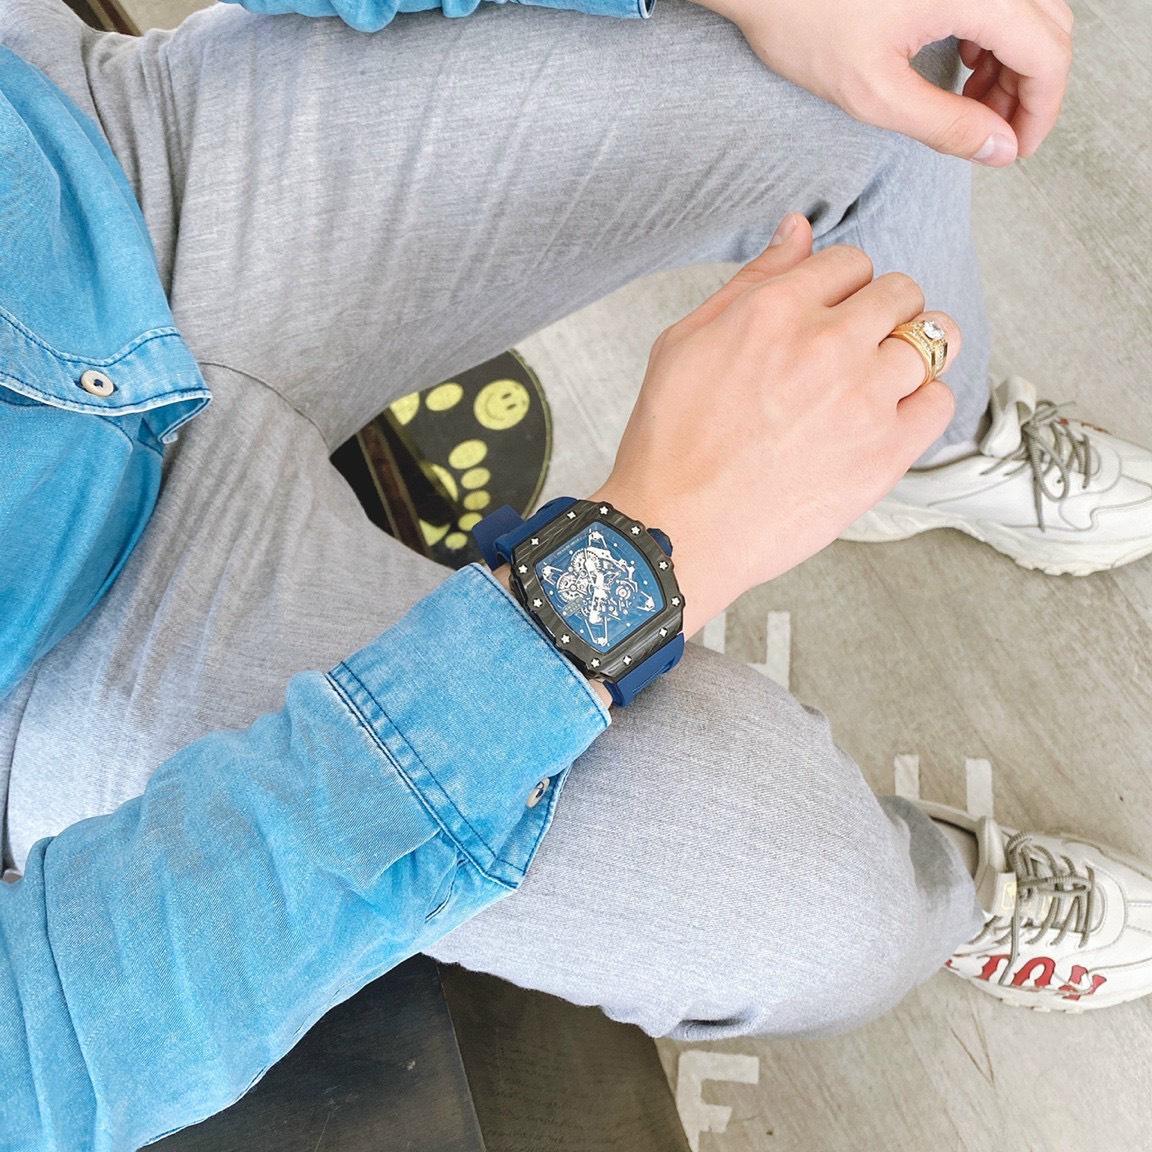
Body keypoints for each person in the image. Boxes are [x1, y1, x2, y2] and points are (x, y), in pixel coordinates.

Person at [1, 0, 1150, 1146]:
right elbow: (48, 1052)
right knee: (811, 911)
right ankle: (944, 892)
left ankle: (921, 433)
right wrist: (611, 577)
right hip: (60, 664)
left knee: (882, 69)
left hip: (83, 165)